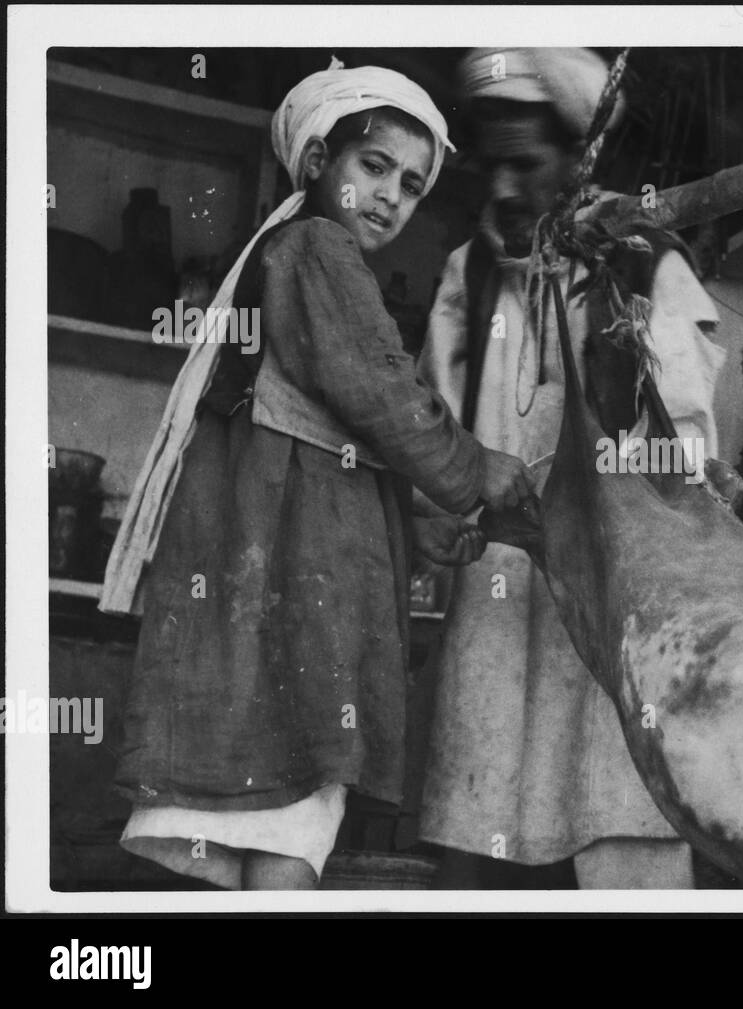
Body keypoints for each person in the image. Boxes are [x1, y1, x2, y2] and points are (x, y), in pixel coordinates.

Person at [112, 60, 534, 891]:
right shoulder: (317, 247)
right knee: (292, 818)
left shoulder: (299, 254)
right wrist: (479, 471)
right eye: (373, 167)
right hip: (293, 595)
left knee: (270, 820)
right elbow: (382, 391)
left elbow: (334, 438)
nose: (391, 196)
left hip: (266, 587)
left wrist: (424, 515)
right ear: (316, 164)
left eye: (412, 185)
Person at [416, 48, 727, 889]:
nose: (510, 186)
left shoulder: (647, 265)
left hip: (606, 593)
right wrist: (438, 509)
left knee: (612, 810)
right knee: (487, 815)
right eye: (497, 165)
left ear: (577, 158)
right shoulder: (468, 275)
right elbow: (429, 421)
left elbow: (690, 442)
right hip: (496, 589)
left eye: (531, 163)